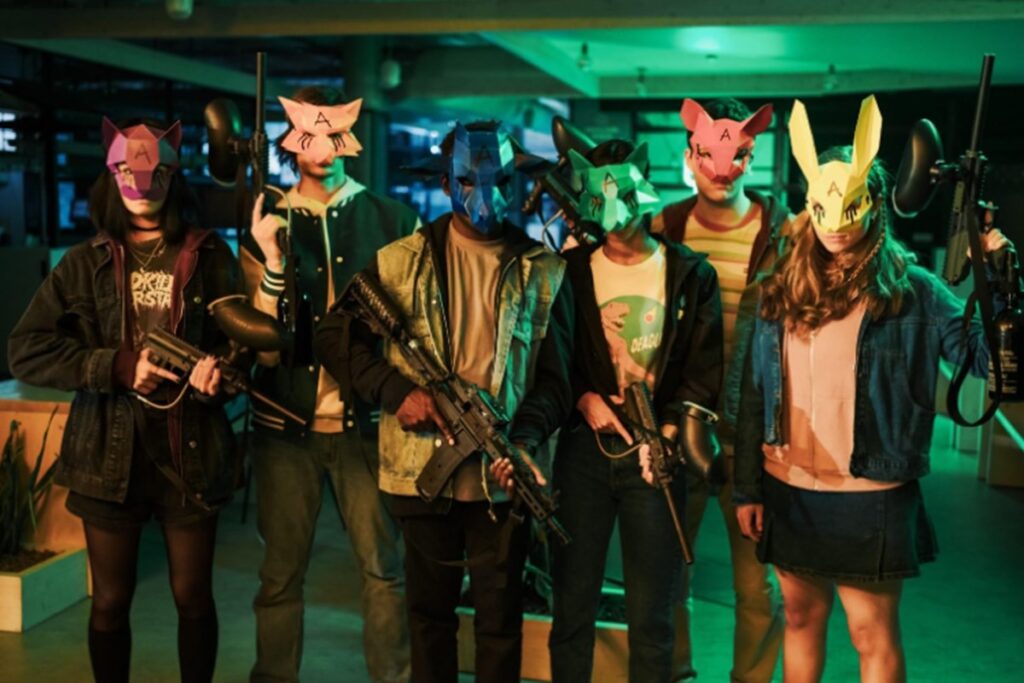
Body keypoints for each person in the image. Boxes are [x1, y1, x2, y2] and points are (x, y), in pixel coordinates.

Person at [734, 95, 1014, 683]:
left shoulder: (915, 290)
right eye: (823, 209)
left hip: (872, 490)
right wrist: (746, 488)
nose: (836, 225)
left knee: (870, 633)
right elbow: (754, 394)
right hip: (790, 485)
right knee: (799, 616)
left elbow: (986, 362)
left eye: (851, 207)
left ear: (875, 204)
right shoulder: (778, 290)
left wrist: (1002, 285)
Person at [317, 120, 574, 683]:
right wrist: (397, 392)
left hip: (502, 484)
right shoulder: (398, 261)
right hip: (421, 477)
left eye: (499, 182)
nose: (485, 196)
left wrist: (523, 441)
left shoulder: (544, 270)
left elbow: (558, 382)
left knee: (500, 624)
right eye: (469, 181)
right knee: (430, 620)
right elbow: (335, 339)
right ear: (445, 182)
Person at [9, 117, 240, 683]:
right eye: (128, 170)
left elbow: (239, 348)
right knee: (110, 602)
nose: (141, 183)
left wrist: (221, 376)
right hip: (106, 454)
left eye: (156, 171)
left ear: (173, 175)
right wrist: (115, 366)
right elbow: (26, 350)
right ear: (111, 175)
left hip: (189, 450)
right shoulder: (82, 262)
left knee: (193, 597)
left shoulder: (210, 254)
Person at [239, 86, 417, 683]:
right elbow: (262, 347)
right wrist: (271, 260)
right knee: (279, 575)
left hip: (365, 425)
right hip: (283, 427)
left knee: (383, 569)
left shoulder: (393, 220)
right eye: (310, 135)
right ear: (291, 143)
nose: (323, 148)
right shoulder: (268, 221)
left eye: (334, 133)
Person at [537, 139, 723, 682]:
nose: (616, 215)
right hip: (585, 454)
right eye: (601, 199)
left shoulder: (689, 273)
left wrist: (666, 431)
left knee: (652, 615)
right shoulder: (571, 271)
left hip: (657, 454)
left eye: (626, 196)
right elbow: (554, 359)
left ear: (645, 189)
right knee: (572, 603)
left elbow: (703, 371)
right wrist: (584, 398)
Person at [651, 97, 787, 682]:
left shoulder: (783, 235)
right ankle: (674, 673)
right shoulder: (663, 228)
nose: (722, 169)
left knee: (757, 586)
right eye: (707, 154)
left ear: (752, 155)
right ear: (690, 155)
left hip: (754, 437)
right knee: (667, 575)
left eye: (737, 154)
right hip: (677, 430)